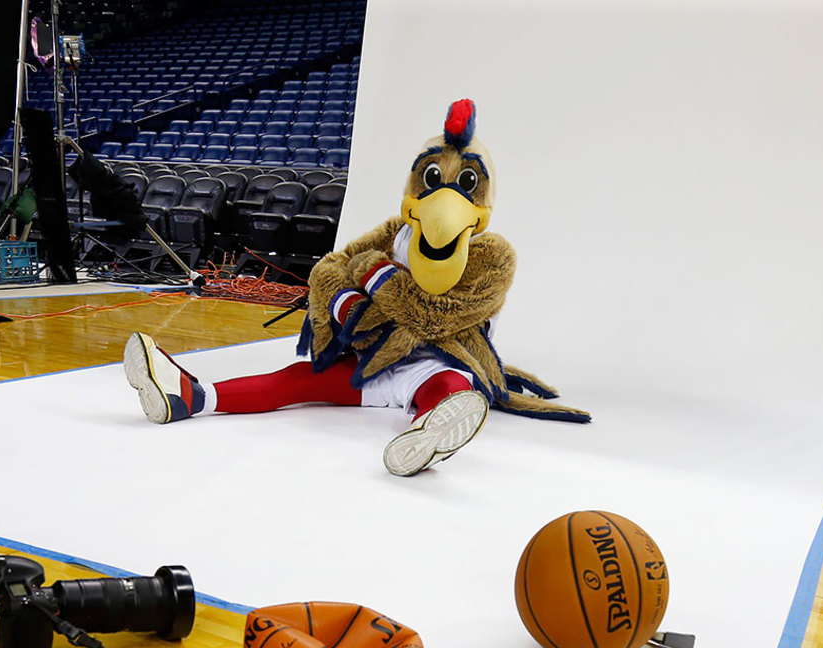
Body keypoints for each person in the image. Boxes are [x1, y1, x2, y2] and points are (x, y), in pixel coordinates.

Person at [123, 99, 588, 477]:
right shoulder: (397, 232)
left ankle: (427, 435)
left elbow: (431, 315)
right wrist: (349, 298)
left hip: (438, 359)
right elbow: (331, 268)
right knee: (297, 379)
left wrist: (372, 279)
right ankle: (190, 396)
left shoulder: (493, 256)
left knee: (452, 389)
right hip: (374, 359)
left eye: (465, 183)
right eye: (432, 179)